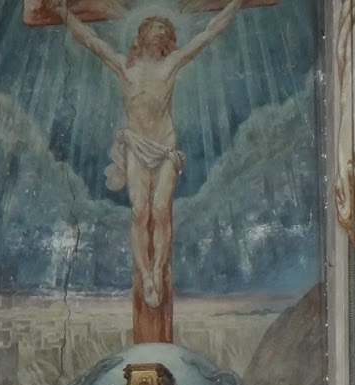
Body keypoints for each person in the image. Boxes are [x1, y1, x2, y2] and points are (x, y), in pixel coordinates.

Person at [57, 0, 247, 313]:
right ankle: (145, 275)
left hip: (164, 146)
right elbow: (90, 40)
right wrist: (63, 13)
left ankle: (158, 270)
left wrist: (235, 4)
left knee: (160, 209)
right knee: (139, 212)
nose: (159, 33)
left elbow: (209, 32)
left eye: (164, 30)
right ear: (142, 35)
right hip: (136, 145)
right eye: (154, 28)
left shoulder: (171, 64)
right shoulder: (124, 66)